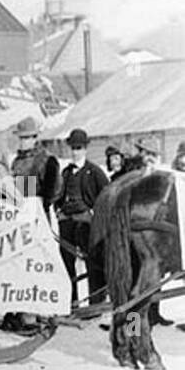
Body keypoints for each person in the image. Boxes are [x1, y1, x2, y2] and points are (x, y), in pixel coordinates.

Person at [57, 128, 109, 303]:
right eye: (73, 148)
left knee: (93, 262)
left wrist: (95, 212)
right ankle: (71, 304)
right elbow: (58, 193)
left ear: (85, 149)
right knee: (66, 263)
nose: (75, 152)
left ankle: (96, 302)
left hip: (86, 222)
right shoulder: (65, 172)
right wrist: (58, 209)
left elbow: (107, 194)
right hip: (66, 222)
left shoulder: (94, 171)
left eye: (79, 148)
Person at [9, 116, 60, 214]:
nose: (23, 142)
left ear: (35, 138)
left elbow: (53, 192)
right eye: (21, 138)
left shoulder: (47, 160)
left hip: (40, 214)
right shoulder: (16, 162)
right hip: (19, 212)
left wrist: (42, 206)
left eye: (26, 138)